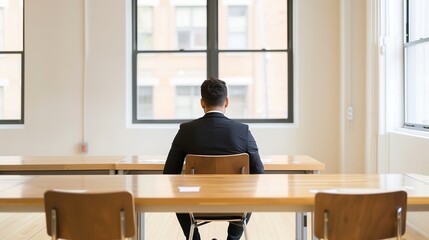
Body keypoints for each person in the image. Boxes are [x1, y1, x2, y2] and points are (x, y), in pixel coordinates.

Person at [163, 77, 264, 240]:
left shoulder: (186, 130)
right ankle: (233, 238)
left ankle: (194, 238)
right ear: (227, 102)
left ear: (202, 103)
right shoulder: (242, 131)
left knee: (176, 192)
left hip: (195, 205)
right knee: (252, 188)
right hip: (235, 205)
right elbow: (259, 172)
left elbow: (169, 173)